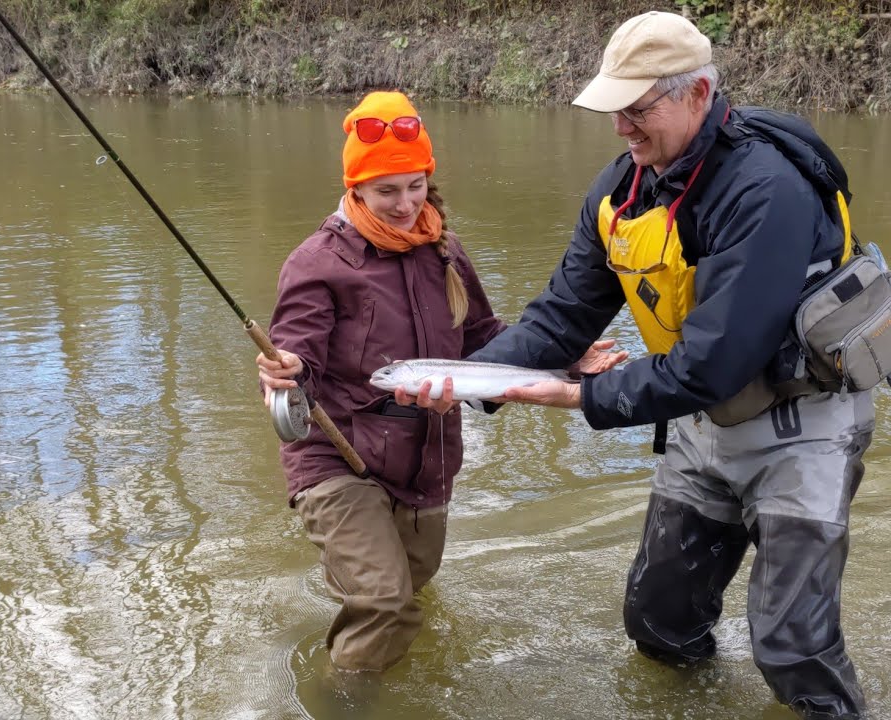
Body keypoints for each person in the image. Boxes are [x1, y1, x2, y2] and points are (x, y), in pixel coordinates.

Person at [468, 11, 876, 719]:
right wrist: (467, 380)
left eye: (637, 109)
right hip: (705, 425)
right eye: (614, 111)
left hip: (803, 430)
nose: (621, 128)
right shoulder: (621, 188)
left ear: (698, 94)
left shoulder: (765, 190)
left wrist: (578, 399)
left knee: (791, 650)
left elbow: (710, 365)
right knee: (657, 623)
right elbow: (563, 314)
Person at [255, 90, 620, 676]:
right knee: (384, 606)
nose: (405, 204)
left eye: (415, 185)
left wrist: (567, 359)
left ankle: (364, 650)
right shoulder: (316, 263)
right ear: (355, 189)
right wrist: (287, 371)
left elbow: (483, 338)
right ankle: (339, 703)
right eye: (386, 191)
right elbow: (297, 364)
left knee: (409, 596)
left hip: (428, 460)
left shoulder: (444, 248)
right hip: (336, 459)